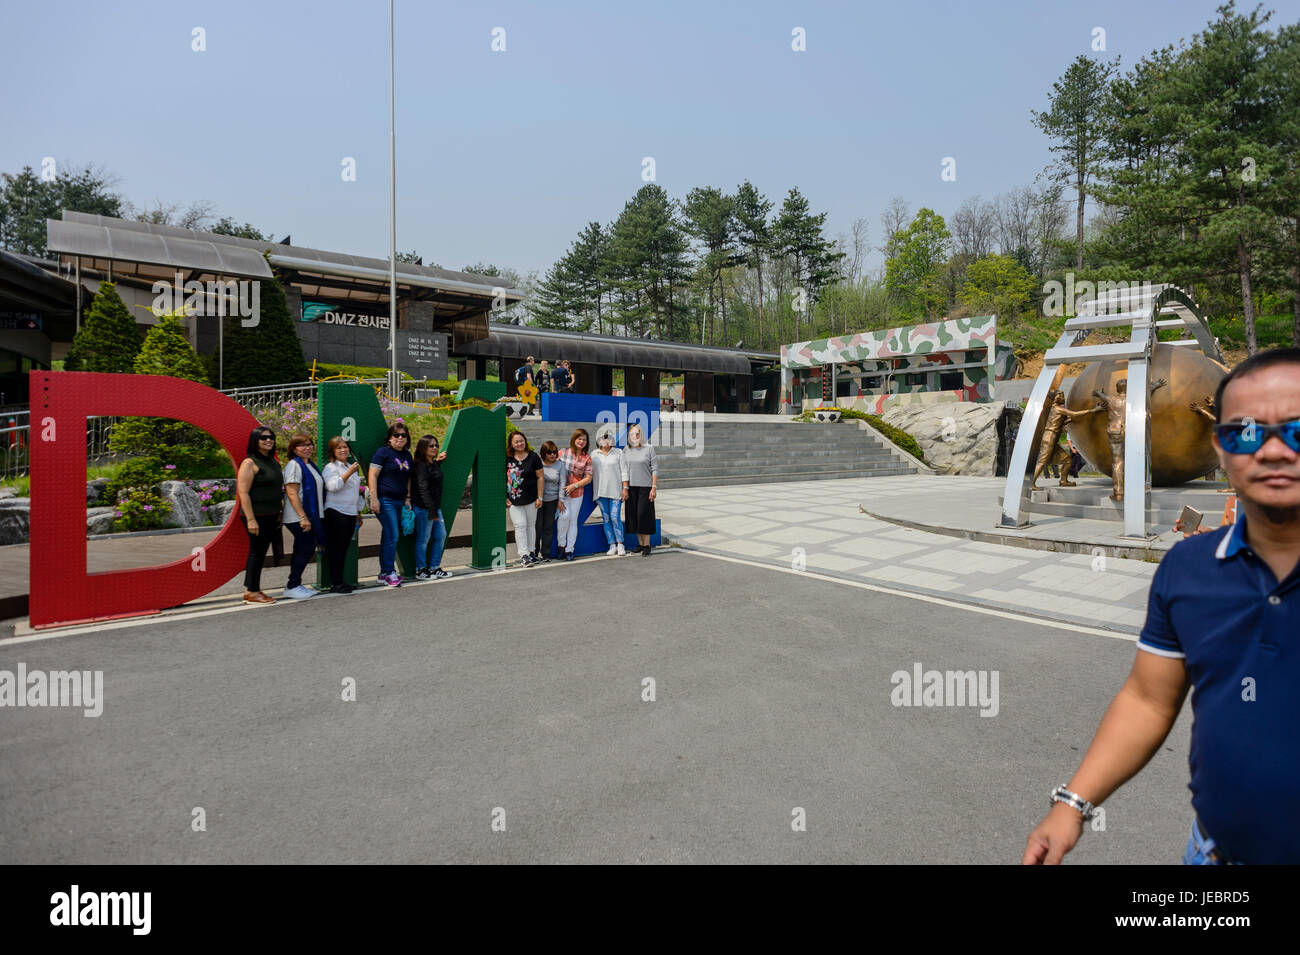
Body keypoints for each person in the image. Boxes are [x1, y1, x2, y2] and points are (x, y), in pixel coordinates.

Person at [1023, 347, 1300, 866]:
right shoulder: (1188, 570)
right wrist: (1072, 805)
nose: (1274, 450)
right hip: (1214, 854)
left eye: (1297, 430)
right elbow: (1148, 701)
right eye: (1246, 432)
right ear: (1219, 445)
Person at [235, 427, 283, 604]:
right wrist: (251, 519)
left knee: (260, 553)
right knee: (257, 553)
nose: (268, 441)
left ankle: (251, 589)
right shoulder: (249, 463)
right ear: (255, 441)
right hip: (257, 516)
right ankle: (253, 591)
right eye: (263, 438)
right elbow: (243, 492)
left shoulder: (272, 461)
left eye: (271, 437)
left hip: (271, 515)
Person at [281, 433, 326, 599]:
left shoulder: (310, 465)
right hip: (298, 517)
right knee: (306, 549)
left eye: (309, 444)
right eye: (302, 445)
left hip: (310, 516)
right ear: (293, 449)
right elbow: (292, 493)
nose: (307, 448)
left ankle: (295, 583)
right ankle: (292, 585)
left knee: (301, 549)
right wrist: (303, 517)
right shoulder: (294, 465)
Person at [368, 422, 413, 587]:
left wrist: (407, 497)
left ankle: (383, 573)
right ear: (389, 438)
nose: (400, 438)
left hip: (400, 501)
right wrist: (374, 498)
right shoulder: (383, 453)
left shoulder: (407, 455)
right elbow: (372, 474)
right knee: (392, 534)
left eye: (403, 435)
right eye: (396, 435)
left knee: (388, 535)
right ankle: (388, 572)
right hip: (384, 499)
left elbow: (408, 477)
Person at [322, 436, 365, 595]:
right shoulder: (331, 467)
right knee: (337, 549)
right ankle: (336, 582)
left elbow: (356, 492)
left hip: (349, 512)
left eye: (345, 447)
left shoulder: (350, 466)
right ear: (333, 451)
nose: (343, 450)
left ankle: (340, 580)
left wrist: (358, 512)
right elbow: (333, 487)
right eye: (339, 448)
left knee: (343, 548)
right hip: (335, 512)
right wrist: (348, 473)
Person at [412, 434, 451, 580]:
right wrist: (431, 510)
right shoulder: (419, 465)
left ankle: (434, 568)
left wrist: (438, 462)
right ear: (423, 448)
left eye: (436, 445)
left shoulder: (432, 463)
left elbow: (433, 477)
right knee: (423, 539)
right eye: (431, 446)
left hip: (435, 507)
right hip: (424, 508)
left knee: (440, 536)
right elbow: (423, 488)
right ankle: (420, 569)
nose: (434, 448)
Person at [506, 430, 544, 566]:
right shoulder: (507, 457)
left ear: (525, 441)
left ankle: (532, 552)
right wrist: (504, 496)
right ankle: (524, 555)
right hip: (514, 500)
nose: (519, 443)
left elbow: (540, 477)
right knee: (520, 526)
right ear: (511, 444)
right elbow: (502, 478)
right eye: (516, 441)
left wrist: (540, 497)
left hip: (532, 499)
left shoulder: (533, 457)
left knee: (530, 526)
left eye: (521, 440)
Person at [621, 423, 659, 556]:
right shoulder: (626, 449)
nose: (635, 436)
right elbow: (624, 469)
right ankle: (640, 544)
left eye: (637, 433)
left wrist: (653, 488)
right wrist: (625, 488)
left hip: (646, 487)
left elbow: (654, 468)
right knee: (634, 516)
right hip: (631, 488)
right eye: (632, 434)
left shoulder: (649, 448)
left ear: (641, 434)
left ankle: (647, 545)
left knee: (644, 515)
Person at [557, 428, 592, 560]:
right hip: (562, 493)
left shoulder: (587, 458)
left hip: (577, 493)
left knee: (573, 521)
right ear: (574, 439)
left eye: (584, 439)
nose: (581, 441)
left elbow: (588, 478)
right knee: (563, 518)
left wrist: (574, 485)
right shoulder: (563, 452)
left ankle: (569, 550)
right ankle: (561, 545)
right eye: (579, 438)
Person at [591, 425, 625, 555]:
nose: (606, 441)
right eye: (603, 438)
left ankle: (620, 543)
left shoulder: (618, 452)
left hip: (616, 491)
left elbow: (624, 472)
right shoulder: (594, 454)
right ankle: (612, 545)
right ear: (598, 440)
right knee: (606, 519)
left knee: (615, 517)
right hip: (600, 492)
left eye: (608, 438)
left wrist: (625, 488)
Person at [534, 440, 566, 562]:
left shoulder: (560, 465)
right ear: (543, 453)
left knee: (548, 527)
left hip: (552, 500)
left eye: (554, 452)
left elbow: (562, 482)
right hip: (538, 500)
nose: (552, 455)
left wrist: (560, 499)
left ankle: (546, 554)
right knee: (537, 527)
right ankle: (534, 552)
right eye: (549, 452)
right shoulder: (538, 464)